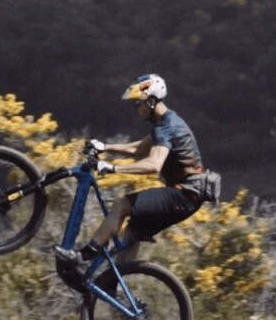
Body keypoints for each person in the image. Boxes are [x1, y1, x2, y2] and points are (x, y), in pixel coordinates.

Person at [54, 73, 217, 266]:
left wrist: (113, 168)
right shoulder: (166, 121)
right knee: (133, 232)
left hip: (184, 195)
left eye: (137, 104)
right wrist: (105, 147)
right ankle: (115, 279)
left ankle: (83, 257)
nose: (136, 109)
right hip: (188, 197)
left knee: (122, 205)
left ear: (151, 101)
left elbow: (153, 164)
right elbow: (138, 149)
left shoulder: (166, 128)